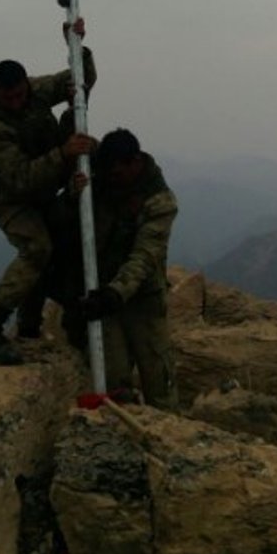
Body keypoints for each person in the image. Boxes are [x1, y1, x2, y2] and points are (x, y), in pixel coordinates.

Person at [0, 19, 97, 365]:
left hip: (44, 188)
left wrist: (77, 47)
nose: (15, 102)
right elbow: (20, 179)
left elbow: (79, 84)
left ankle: (28, 325)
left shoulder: (36, 92)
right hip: (10, 201)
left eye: (20, 94)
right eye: (7, 97)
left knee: (59, 243)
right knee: (37, 248)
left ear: (26, 84)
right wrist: (64, 154)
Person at [80, 128, 180, 410]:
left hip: (141, 299)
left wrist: (113, 294)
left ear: (135, 163)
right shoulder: (104, 175)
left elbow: (144, 258)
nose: (113, 180)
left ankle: (169, 436)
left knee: (158, 378)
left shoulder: (160, 202)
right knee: (113, 380)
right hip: (105, 294)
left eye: (118, 173)